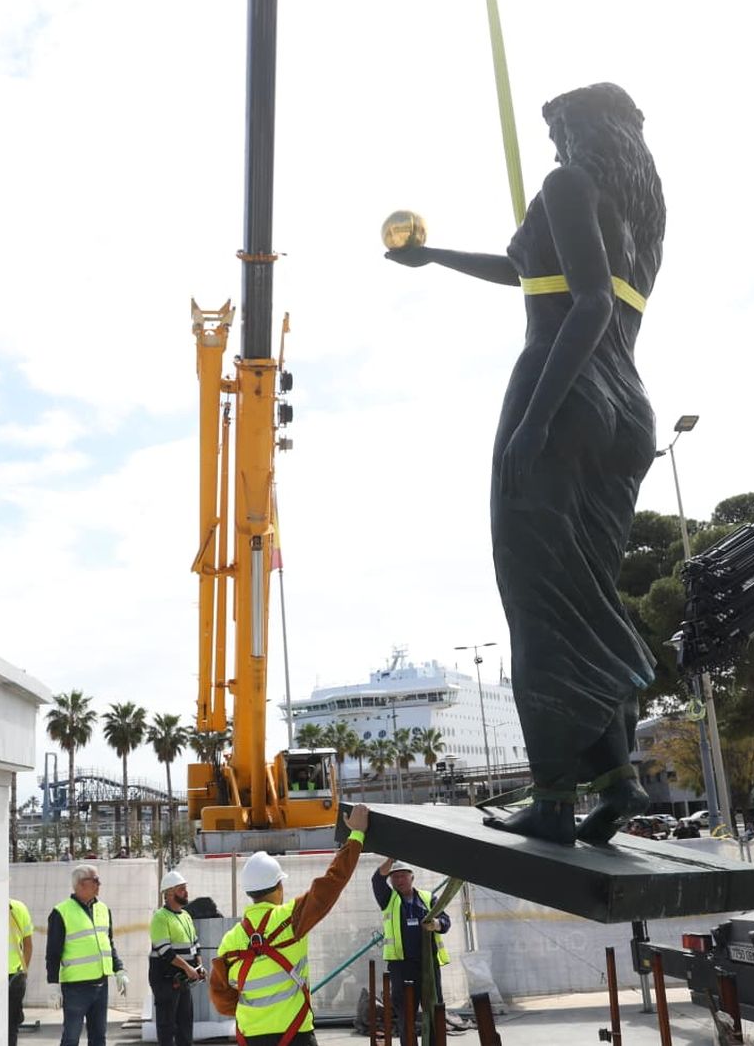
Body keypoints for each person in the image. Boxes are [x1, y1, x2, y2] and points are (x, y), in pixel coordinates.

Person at [386, 83, 666, 846]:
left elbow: (586, 303)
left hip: (562, 386)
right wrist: (432, 255)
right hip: (627, 406)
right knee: (581, 599)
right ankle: (616, 783)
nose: (553, 149)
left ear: (587, 131)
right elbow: (528, 270)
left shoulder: (568, 184)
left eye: (561, 131)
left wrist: (535, 418)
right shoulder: (642, 211)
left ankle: (551, 799)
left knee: (538, 604)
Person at [210, 804, 370, 1045]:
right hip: (295, 1035)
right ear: (279, 887)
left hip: (251, 1037)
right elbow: (332, 883)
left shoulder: (230, 939)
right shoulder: (290, 919)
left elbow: (220, 998)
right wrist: (356, 835)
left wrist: (257, 1015)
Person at [46, 865, 129, 1046]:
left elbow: (108, 944)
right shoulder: (61, 912)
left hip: (101, 984)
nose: (100, 884)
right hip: (76, 987)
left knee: (99, 1037)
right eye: (96, 880)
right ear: (81, 884)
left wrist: (119, 969)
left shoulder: (104, 910)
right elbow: (53, 952)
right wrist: (53, 984)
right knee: (71, 1038)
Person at [372, 857, 451, 1046]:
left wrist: (437, 924)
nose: (399, 880)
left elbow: (446, 922)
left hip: (428, 965)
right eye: (395, 877)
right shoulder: (387, 899)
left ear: (412, 877)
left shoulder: (427, 898)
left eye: (402, 876)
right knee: (406, 1013)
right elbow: (376, 879)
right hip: (402, 966)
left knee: (433, 1010)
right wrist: (391, 859)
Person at [149, 870, 204, 1046]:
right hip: (166, 981)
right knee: (167, 1028)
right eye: (181, 889)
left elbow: (195, 945)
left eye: (185, 888)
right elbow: (165, 951)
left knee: (185, 1025)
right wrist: (187, 969)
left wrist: (199, 966)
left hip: (183, 980)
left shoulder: (186, 916)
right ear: (169, 893)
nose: (186, 892)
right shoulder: (160, 917)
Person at [9, 897, 35, 1046]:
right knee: (11, 1026)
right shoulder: (19, 907)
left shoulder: (17, 908)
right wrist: (23, 972)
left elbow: (28, 945)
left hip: (10, 977)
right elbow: (28, 945)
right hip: (16, 976)